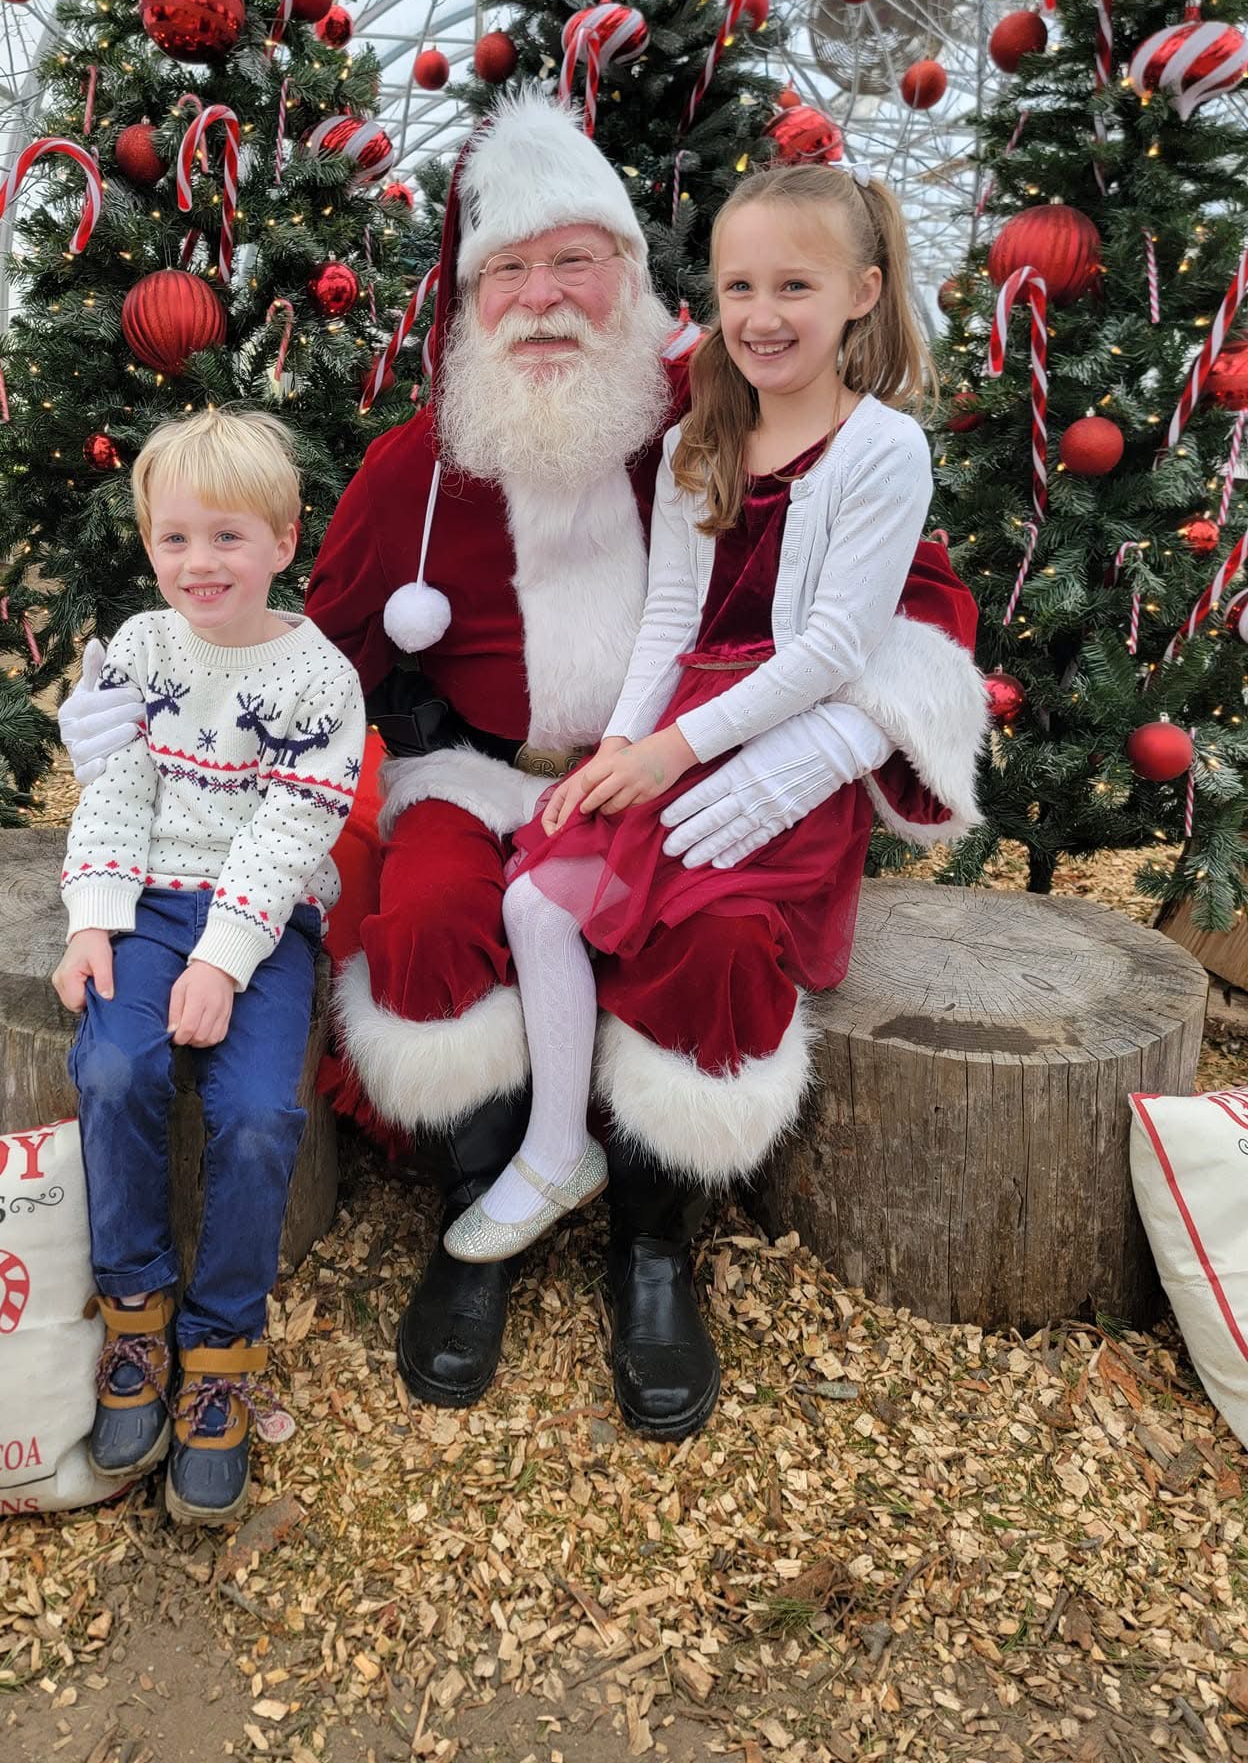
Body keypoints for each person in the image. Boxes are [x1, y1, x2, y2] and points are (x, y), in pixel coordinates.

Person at [60, 88, 987, 1441]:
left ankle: (654, 1244)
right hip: (479, 777)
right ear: (469, 298)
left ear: (630, 274)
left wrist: (845, 739)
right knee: (428, 918)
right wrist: (152, 720)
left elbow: (923, 606)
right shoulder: (414, 466)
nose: (543, 297)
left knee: (723, 946)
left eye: (575, 261)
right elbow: (296, 652)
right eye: (511, 270)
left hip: (685, 772)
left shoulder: (724, 405)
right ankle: (479, 1202)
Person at [442, 161, 936, 1263]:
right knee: (538, 897)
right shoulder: (694, 444)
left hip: (782, 744)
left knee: (699, 928)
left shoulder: (883, 449)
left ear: (861, 291)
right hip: (681, 723)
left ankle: (658, 1219)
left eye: (794, 287)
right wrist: (621, 744)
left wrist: (673, 750)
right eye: (739, 287)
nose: (762, 317)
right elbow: (670, 618)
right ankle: (556, 1143)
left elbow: (834, 650)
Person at [52, 409, 363, 1524]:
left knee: (258, 1114)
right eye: (176, 538)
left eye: (228, 538)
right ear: (149, 544)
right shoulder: (140, 646)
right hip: (144, 905)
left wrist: (227, 962)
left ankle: (222, 1346)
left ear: (285, 539)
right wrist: (94, 917)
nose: (200, 564)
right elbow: (118, 790)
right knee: (116, 1069)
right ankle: (135, 1313)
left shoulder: (318, 678)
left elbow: (291, 837)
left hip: (262, 922)